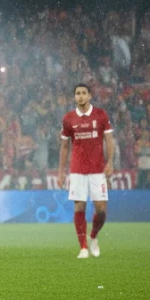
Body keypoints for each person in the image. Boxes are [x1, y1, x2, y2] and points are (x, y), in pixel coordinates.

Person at [57, 83, 114, 259]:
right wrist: (61, 172)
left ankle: (93, 236)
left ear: (90, 96)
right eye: (77, 93)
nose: (80, 96)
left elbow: (109, 139)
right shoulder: (68, 118)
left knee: (101, 210)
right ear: (75, 97)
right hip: (78, 169)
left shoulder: (100, 115)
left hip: (97, 169)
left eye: (83, 93)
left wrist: (110, 162)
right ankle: (83, 247)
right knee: (79, 206)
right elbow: (64, 146)